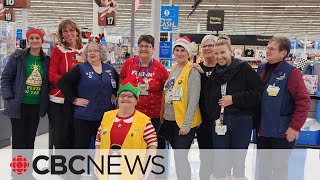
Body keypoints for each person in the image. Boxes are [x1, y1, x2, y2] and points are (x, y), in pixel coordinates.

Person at [205, 35, 263, 180]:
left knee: (238, 159)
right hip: (220, 122)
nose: (219, 57)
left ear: (230, 51)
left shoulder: (243, 69)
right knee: (219, 160)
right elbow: (209, 97)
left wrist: (234, 99)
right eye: (216, 53)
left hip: (241, 120)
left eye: (222, 52)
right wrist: (214, 116)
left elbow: (257, 93)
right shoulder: (215, 73)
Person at [256, 36, 310, 180]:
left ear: (283, 53)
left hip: (282, 133)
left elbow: (304, 101)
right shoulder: (261, 68)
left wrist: (295, 127)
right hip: (263, 130)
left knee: (279, 170)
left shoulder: (292, 73)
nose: (267, 50)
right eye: (267, 47)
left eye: (272, 48)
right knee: (263, 168)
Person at [1, 29, 49, 179]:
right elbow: (6, 78)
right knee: (19, 141)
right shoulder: (18, 57)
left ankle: (27, 172)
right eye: (32, 38)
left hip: (35, 107)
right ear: (28, 40)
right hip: (19, 106)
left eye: (37, 38)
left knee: (30, 140)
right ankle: (17, 174)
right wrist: (9, 98)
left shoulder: (46, 60)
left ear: (42, 40)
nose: (35, 40)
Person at [57, 40, 119, 149]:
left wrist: (114, 94)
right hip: (84, 117)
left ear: (101, 53)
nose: (92, 53)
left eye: (95, 51)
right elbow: (62, 82)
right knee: (81, 148)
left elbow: (119, 83)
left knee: (104, 148)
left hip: (105, 117)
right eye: (89, 51)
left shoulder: (110, 70)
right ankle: (80, 166)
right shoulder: (80, 69)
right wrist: (74, 99)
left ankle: (99, 166)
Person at [95, 75, 157, 179]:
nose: (125, 98)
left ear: (136, 101)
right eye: (122, 95)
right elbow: (98, 140)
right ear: (117, 99)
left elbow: (152, 145)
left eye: (130, 96)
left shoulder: (144, 121)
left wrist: (146, 168)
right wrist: (97, 161)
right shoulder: (107, 116)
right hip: (107, 169)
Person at [159, 36, 202, 180]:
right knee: (177, 157)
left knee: (181, 157)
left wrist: (187, 124)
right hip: (170, 120)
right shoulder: (174, 68)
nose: (179, 53)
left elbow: (193, 99)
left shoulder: (192, 71)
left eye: (182, 50)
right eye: (176, 50)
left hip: (183, 123)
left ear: (188, 53)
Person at [120, 35, 169, 133]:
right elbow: (121, 82)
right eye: (141, 46)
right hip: (131, 112)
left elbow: (166, 89)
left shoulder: (160, 68)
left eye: (147, 46)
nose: (143, 49)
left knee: (149, 143)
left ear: (153, 49)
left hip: (153, 114)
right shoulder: (129, 63)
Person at [48, 19, 83, 149]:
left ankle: (76, 167)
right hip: (60, 100)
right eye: (65, 31)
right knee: (62, 138)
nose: (69, 33)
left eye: (71, 30)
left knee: (77, 137)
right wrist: (66, 86)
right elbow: (52, 74)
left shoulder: (84, 51)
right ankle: (61, 168)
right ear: (61, 35)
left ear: (77, 32)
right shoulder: (58, 50)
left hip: (78, 100)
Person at [193, 34, 218, 180]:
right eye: (205, 46)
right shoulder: (196, 68)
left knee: (220, 159)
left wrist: (204, 75)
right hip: (203, 122)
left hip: (221, 122)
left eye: (211, 45)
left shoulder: (224, 68)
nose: (207, 48)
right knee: (205, 158)